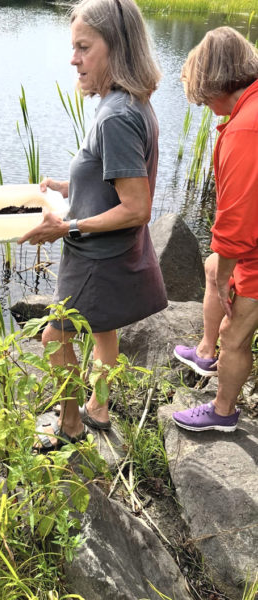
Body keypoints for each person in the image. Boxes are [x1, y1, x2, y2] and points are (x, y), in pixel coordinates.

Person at [18, 0, 167, 451]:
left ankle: (70, 424)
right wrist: (68, 186)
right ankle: (98, 409)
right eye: (73, 47)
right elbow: (118, 176)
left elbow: (137, 207)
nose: (73, 59)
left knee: (51, 337)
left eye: (84, 47)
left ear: (115, 47)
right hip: (110, 252)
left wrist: (67, 228)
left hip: (96, 259)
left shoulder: (118, 116)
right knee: (103, 332)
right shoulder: (127, 102)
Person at [172, 26, 258, 433]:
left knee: (234, 333)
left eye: (202, 93)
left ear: (214, 80)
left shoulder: (246, 128)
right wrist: (219, 266)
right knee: (211, 268)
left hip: (255, 252)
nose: (202, 103)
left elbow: (238, 215)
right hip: (251, 243)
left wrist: (227, 274)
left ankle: (222, 413)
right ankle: (206, 352)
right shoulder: (249, 109)